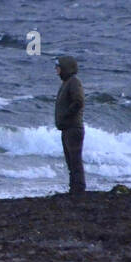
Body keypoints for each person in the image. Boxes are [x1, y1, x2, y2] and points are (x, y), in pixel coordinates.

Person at [54, 56, 85, 193]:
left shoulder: (73, 82)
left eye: (58, 67)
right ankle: (74, 188)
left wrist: (66, 115)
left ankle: (78, 189)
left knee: (75, 161)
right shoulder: (66, 83)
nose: (56, 69)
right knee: (70, 162)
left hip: (73, 128)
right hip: (67, 128)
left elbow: (78, 101)